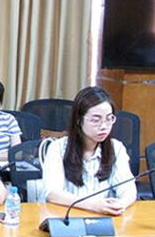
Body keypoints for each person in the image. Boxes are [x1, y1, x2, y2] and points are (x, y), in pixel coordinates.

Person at [42, 86, 136, 216]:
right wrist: (93, 205)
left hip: (105, 217)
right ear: (78, 120)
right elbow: (52, 193)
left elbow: (128, 189)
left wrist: (121, 204)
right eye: (96, 120)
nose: (104, 126)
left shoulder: (116, 148)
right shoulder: (57, 148)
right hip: (68, 218)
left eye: (109, 118)